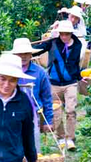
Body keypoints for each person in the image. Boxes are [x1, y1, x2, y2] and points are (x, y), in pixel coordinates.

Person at [33, 20, 84, 150]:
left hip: (70, 83)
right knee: (57, 112)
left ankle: (70, 139)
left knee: (71, 110)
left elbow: (75, 63)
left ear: (71, 34)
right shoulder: (53, 43)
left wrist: (79, 77)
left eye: (67, 34)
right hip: (54, 83)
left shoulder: (77, 45)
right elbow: (38, 50)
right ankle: (61, 137)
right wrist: (25, 51)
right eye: (62, 34)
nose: (64, 37)